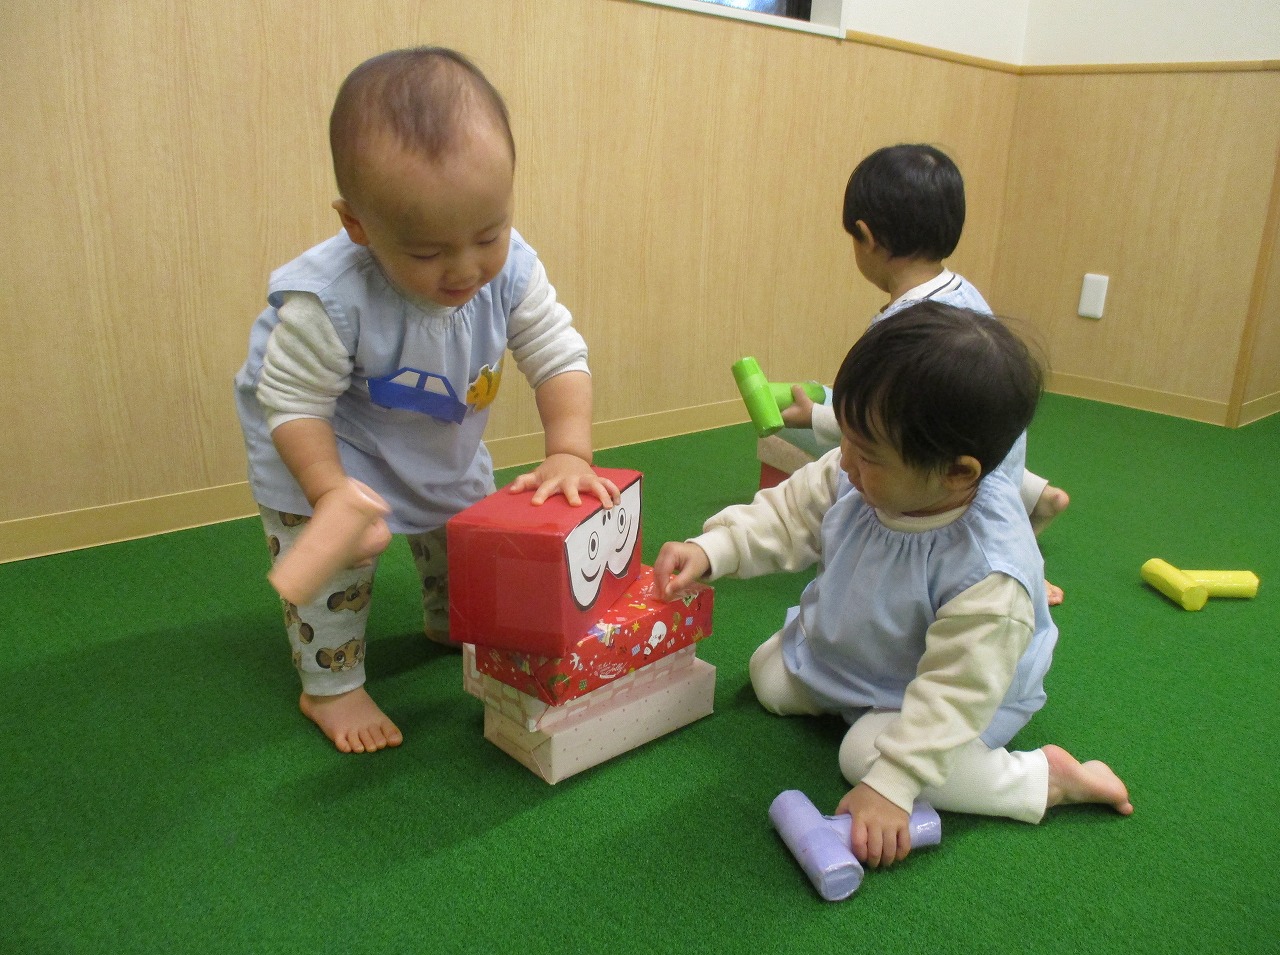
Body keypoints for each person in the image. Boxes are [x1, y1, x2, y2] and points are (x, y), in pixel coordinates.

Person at [234, 47, 619, 754]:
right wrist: (329, 492)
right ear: (358, 226)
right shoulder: (330, 299)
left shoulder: (512, 271)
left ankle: (451, 621)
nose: (466, 268)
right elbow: (289, 400)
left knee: (464, 533)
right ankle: (331, 687)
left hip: (438, 435)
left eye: (487, 235)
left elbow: (558, 354)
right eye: (426, 252)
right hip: (324, 442)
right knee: (338, 571)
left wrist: (569, 449)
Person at [655, 304, 1132, 868]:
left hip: (960, 687)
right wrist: (714, 548)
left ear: (957, 473)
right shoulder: (859, 471)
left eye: (867, 454)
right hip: (865, 650)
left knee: (864, 755)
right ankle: (857, 699)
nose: (844, 461)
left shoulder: (988, 573)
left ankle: (1041, 779)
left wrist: (893, 785)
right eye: (846, 438)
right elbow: (787, 514)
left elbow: (956, 690)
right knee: (770, 677)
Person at [781, 144, 1070, 547]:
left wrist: (814, 417)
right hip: (990, 459)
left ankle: (1021, 511)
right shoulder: (964, 295)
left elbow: (888, 429)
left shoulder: (906, 331)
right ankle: (1031, 495)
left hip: (959, 500)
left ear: (866, 237)